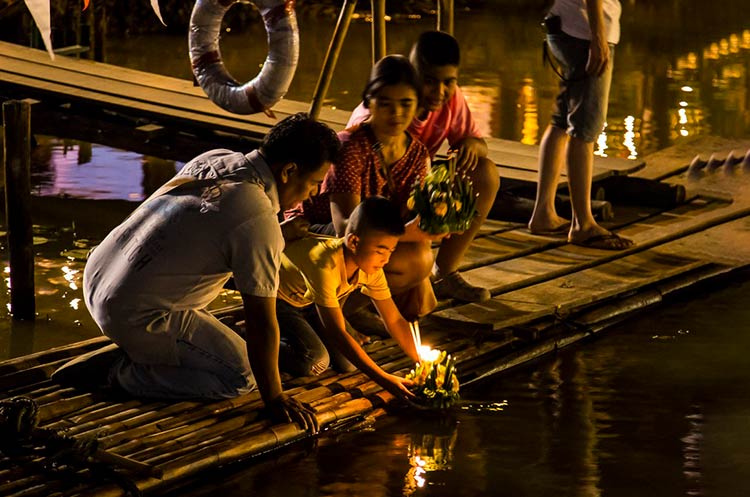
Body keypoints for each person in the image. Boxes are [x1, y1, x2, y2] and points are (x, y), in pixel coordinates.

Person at [81, 113, 341, 432]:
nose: (313, 194)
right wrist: (274, 398)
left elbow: (210, 225)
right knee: (239, 376)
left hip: (98, 276)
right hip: (137, 312)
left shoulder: (218, 158)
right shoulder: (257, 220)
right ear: (289, 171)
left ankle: (138, 347)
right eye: (314, 183)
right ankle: (122, 373)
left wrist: (275, 234)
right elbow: (261, 321)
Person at [346, 31, 500, 303]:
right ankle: (358, 296)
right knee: (417, 263)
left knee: (484, 172)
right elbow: (346, 223)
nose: (440, 92)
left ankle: (445, 273)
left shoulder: (430, 127)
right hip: (371, 204)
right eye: (429, 82)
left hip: (410, 188)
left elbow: (477, 142)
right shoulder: (365, 130)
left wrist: (469, 147)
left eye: (448, 83)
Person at [290, 54, 440, 321]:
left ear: (417, 105)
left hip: (374, 235)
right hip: (319, 231)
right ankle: (325, 315)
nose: (396, 114)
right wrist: (409, 234)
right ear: (369, 102)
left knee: (419, 264)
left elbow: (412, 215)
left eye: (406, 104)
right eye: (385, 104)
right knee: (414, 259)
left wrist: (436, 223)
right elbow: (345, 227)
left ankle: (350, 309)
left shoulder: (417, 154)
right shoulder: (351, 145)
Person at [276, 196, 418, 400]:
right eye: (380, 250)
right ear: (353, 241)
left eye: (391, 251)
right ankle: (253, 337)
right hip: (279, 300)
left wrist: (421, 361)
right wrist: (384, 379)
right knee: (315, 361)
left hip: (310, 303)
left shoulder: (372, 268)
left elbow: (394, 319)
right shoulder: (324, 264)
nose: (386, 259)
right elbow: (337, 332)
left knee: (349, 363)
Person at [527, 0, 634, 250]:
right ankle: (582, 224)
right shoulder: (591, 34)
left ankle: (543, 213)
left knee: (562, 121)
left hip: (565, 25)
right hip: (584, 31)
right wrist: (598, 37)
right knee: (584, 130)